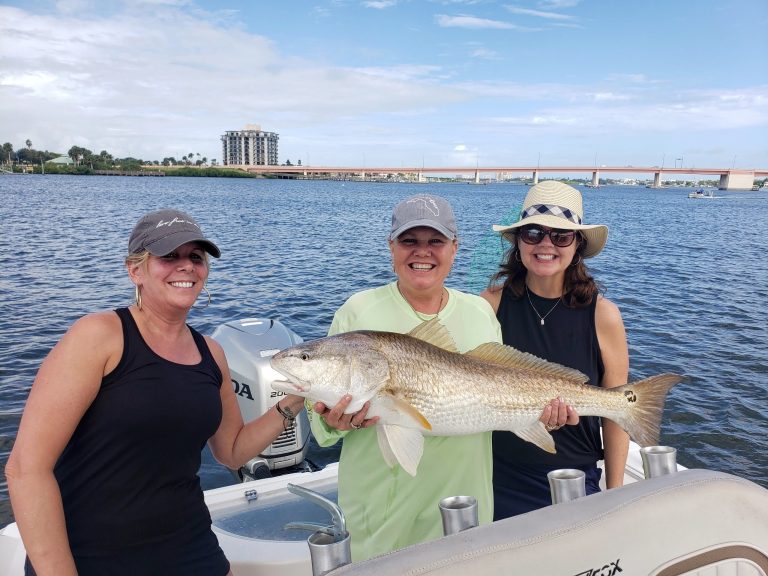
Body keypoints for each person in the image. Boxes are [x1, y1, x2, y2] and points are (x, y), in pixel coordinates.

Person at [6, 209, 306, 576]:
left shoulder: (211, 353)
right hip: (91, 554)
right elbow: (26, 468)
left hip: (188, 543)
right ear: (136, 270)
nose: (186, 267)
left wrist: (295, 400)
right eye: (169, 256)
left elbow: (231, 452)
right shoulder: (99, 336)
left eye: (196, 257)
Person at [308, 194, 503, 561]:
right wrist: (331, 420)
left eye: (436, 241)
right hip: (381, 511)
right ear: (391, 246)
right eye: (410, 241)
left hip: (465, 501)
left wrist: (546, 414)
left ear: (455, 248)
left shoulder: (480, 312)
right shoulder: (358, 311)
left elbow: (508, 391)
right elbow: (320, 420)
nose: (422, 252)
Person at [481, 180, 629, 519]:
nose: (545, 244)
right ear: (518, 241)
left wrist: (615, 492)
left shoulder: (603, 315)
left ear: (576, 245)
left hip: (574, 477)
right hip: (496, 477)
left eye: (560, 235)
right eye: (533, 233)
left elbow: (620, 408)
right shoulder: (489, 304)